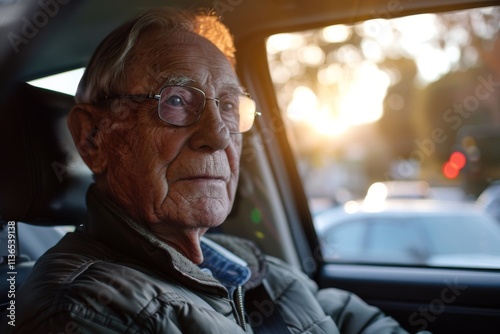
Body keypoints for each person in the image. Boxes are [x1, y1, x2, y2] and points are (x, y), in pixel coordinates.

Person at [12, 8, 413, 334]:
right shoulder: (83, 308)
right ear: (93, 137)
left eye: (228, 105)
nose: (219, 136)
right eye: (176, 101)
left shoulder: (253, 267)